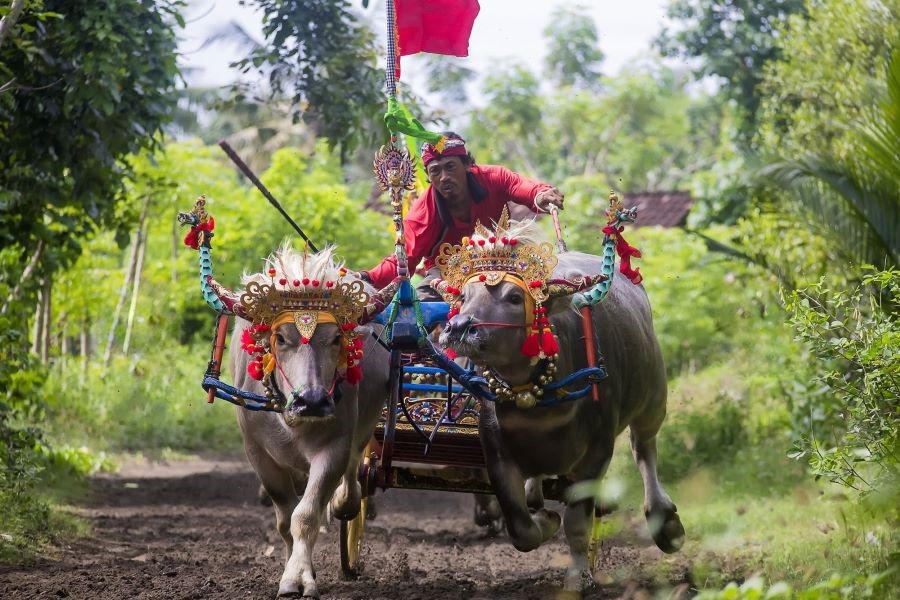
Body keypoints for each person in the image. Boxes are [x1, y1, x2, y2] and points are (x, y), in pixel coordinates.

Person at [361, 132, 564, 298]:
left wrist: (541, 194)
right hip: (447, 275)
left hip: (503, 261)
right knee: (417, 315)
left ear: (467, 165)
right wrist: (366, 278)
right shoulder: (422, 212)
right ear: (429, 177)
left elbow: (521, 187)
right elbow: (403, 260)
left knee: (551, 294)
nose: (444, 177)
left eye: (450, 167)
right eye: (435, 171)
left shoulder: (494, 177)